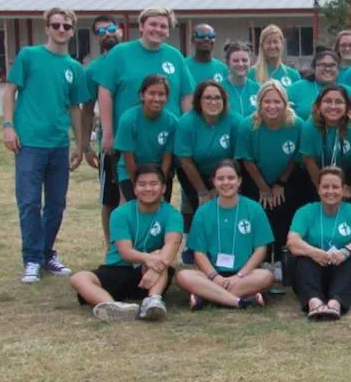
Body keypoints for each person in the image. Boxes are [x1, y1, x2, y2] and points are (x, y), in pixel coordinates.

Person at [4, 7, 92, 283]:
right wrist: (8, 126)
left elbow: (75, 108)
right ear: (47, 28)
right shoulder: (29, 56)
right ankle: (31, 259)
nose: (61, 30)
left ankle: (46, 253)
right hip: (29, 143)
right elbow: (10, 91)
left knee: (56, 205)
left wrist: (80, 144)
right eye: (56, 25)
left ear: (73, 30)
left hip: (58, 144)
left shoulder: (74, 68)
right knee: (29, 202)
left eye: (66, 26)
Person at [69, 165, 182, 322]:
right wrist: (149, 258)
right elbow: (125, 252)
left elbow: (172, 246)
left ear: (163, 188)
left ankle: (153, 301)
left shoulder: (172, 214)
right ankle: (112, 307)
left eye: (153, 184)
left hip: (149, 275)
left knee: (161, 256)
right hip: (118, 268)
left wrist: (154, 265)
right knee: (78, 278)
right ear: (134, 189)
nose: (148, 188)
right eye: (142, 184)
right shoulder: (120, 213)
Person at [95, 7, 194, 183]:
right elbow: (105, 92)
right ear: (141, 26)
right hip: (125, 141)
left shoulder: (175, 56)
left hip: (163, 143)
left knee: (158, 191)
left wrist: (187, 133)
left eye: (163, 26)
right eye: (153, 24)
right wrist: (108, 132)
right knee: (120, 194)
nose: (158, 29)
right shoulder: (120, 53)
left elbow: (186, 96)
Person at [175, 160, 276, 309]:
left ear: (239, 181)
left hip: (245, 274)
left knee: (266, 276)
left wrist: (239, 276)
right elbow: (199, 253)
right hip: (211, 274)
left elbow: (261, 249)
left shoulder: (254, 209)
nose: (226, 183)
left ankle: (206, 296)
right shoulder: (203, 211)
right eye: (220, 179)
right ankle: (241, 300)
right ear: (214, 182)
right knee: (183, 276)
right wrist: (215, 277)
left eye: (231, 178)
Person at [235, 80, 309, 273]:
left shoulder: (296, 124)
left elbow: (296, 157)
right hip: (256, 177)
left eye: (277, 101)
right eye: (267, 101)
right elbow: (247, 159)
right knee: (261, 212)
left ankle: (282, 259)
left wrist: (280, 183)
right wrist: (264, 188)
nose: (272, 106)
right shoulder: (248, 125)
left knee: (284, 211)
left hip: (287, 177)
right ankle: (264, 258)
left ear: (285, 103)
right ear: (259, 103)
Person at [287, 167, 351, 320]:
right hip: (316, 273)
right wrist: (313, 252)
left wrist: (344, 251)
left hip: (345, 274)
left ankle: (335, 304)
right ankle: (315, 303)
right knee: (304, 258)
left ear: (344, 189)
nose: (330, 191)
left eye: (335, 187)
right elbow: (292, 241)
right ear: (318, 189)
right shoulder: (305, 211)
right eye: (325, 187)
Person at [298, 86, 351, 242]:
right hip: (318, 172)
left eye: (339, 102)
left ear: (347, 106)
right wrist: (321, 187)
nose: (333, 106)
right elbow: (308, 160)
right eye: (327, 101)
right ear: (319, 105)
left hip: (348, 172)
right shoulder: (310, 126)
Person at [173, 80, 241, 231]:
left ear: (224, 100)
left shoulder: (235, 121)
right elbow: (185, 161)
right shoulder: (186, 122)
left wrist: (219, 186)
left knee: (226, 208)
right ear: (198, 101)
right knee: (202, 211)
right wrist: (202, 191)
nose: (213, 102)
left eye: (217, 98)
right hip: (194, 172)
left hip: (226, 172)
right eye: (207, 98)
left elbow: (238, 158)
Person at [86, 15, 125, 239]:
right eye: (100, 32)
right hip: (110, 144)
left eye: (110, 29)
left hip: (141, 141)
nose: (107, 34)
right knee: (110, 199)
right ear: (96, 38)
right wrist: (85, 145)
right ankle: (111, 246)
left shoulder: (133, 57)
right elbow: (86, 109)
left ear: (120, 30)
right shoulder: (93, 69)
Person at [112, 75, 178, 203]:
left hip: (159, 171)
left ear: (167, 97)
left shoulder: (172, 122)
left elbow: (167, 159)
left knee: (158, 209)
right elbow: (128, 159)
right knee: (134, 208)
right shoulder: (128, 120)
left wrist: (159, 183)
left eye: (161, 94)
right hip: (131, 171)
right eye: (152, 93)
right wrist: (139, 185)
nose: (156, 98)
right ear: (142, 95)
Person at [287, 49, 351, 127]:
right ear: (314, 68)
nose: (327, 69)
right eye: (323, 65)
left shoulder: (349, 92)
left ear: (338, 69)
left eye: (332, 65)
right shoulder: (296, 88)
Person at [222, 42, 258, 119]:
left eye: (244, 60)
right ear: (228, 63)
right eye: (235, 61)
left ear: (250, 63)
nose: (240, 64)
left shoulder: (258, 89)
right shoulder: (219, 89)